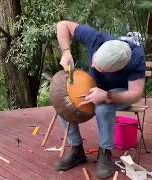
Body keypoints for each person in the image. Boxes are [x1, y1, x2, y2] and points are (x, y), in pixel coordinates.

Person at [55, 20, 146, 179]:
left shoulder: (136, 58)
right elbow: (62, 25)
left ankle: (105, 152)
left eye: (99, 68)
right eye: (94, 60)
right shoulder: (97, 39)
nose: (92, 65)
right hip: (95, 87)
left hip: (120, 91)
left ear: (118, 69)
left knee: (103, 108)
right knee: (63, 103)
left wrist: (107, 95)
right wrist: (66, 51)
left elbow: (136, 94)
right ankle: (77, 150)